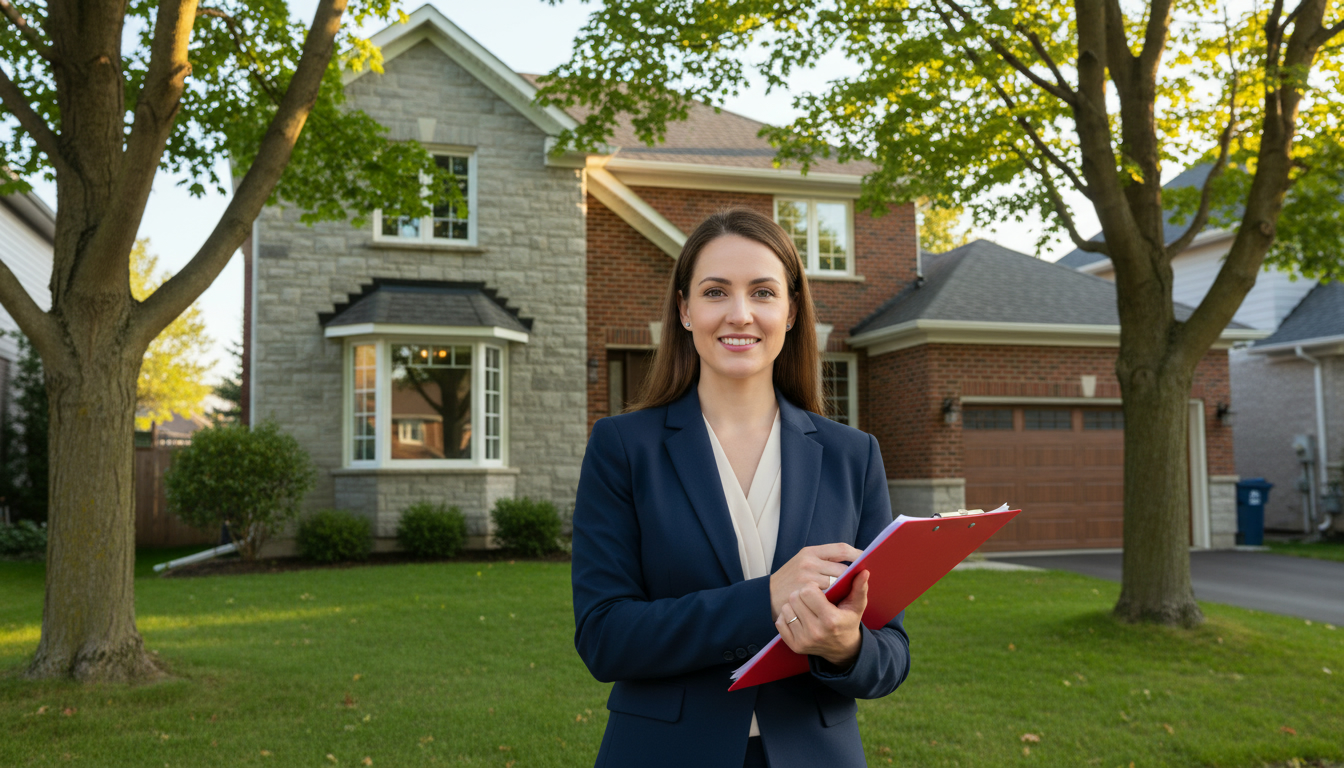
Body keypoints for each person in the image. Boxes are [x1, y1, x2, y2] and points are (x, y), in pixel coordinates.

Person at [571, 208, 910, 768]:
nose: (740, 314)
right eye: (715, 292)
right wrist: (766, 599)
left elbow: (890, 656)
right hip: (664, 753)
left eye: (762, 292)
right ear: (684, 310)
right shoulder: (623, 447)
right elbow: (606, 636)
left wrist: (845, 646)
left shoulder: (854, 455)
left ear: (792, 310)